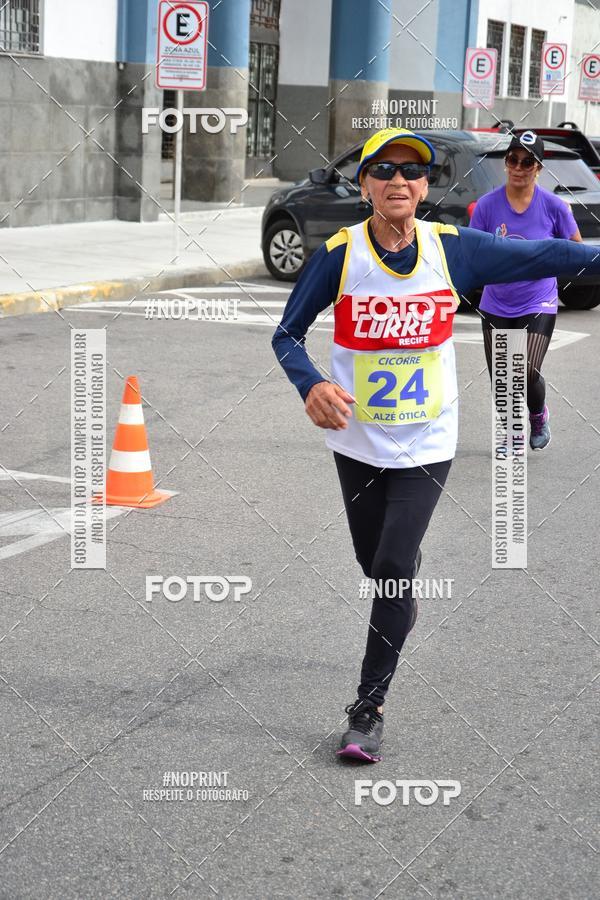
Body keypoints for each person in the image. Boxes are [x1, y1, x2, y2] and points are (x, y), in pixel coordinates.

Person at [272, 127, 600, 763]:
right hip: (358, 443)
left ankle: (368, 707)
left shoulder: (453, 249)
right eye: (384, 170)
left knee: (391, 572)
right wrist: (310, 384)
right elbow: (287, 335)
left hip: (426, 444)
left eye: (412, 171)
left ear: (425, 188)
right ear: (364, 184)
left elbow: (547, 258)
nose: (399, 180)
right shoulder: (339, 255)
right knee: (381, 571)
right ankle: (401, 583)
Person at [470, 131, 582, 450]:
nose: (519, 167)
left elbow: (574, 251)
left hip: (539, 299)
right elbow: (471, 252)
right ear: (506, 163)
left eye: (527, 162)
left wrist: (546, 264)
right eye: (513, 160)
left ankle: (537, 415)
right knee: (502, 378)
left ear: (539, 168)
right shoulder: (487, 206)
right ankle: (508, 434)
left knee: (525, 370)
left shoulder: (554, 207)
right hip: (496, 302)